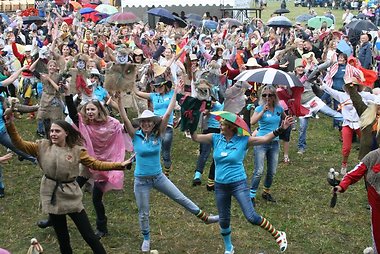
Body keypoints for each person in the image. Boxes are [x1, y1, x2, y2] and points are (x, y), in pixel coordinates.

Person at [4, 116, 132, 254]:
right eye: (52, 131)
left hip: (70, 195)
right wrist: (10, 125)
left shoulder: (77, 151)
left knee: (89, 235)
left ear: (66, 133)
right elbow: (19, 143)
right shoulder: (42, 146)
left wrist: (119, 165)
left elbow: (96, 164)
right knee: (63, 238)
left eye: (57, 131)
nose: (53, 133)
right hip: (51, 193)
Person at [117, 82, 219, 252]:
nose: (147, 124)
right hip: (141, 180)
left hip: (158, 177)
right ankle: (146, 238)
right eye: (144, 122)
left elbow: (168, 112)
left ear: (154, 123)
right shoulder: (136, 136)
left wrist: (176, 93)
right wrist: (120, 101)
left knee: (180, 198)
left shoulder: (159, 133)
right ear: (140, 123)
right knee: (143, 212)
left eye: (150, 121)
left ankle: (205, 218)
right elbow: (125, 118)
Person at [191, 112, 292, 253]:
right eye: (221, 123)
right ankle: (229, 248)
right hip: (220, 186)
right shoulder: (215, 138)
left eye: (223, 123)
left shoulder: (244, 140)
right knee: (224, 220)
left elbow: (264, 139)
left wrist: (281, 129)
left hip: (238, 184)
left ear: (232, 127)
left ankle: (278, 234)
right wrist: (190, 122)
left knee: (251, 217)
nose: (220, 125)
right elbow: (195, 137)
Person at [333, 147, 380, 253]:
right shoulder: (372, 156)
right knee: (377, 235)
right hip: (377, 206)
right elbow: (352, 174)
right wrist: (341, 186)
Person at [133, 76, 176, 177]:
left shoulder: (171, 94)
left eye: (160, 86)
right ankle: (136, 159)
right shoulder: (153, 96)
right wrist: (132, 83)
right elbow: (138, 93)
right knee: (143, 141)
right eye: (156, 86)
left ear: (165, 85)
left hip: (167, 125)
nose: (158, 88)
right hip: (154, 125)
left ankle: (167, 169)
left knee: (165, 150)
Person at [249, 85, 285, 203]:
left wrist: (288, 121)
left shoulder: (279, 109)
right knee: (259, 170)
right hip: (261, 142)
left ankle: (266, 191)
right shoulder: (259, 108)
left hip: (274, 142)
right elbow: (252, 122)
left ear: (275, 96)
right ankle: (251, 195)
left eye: (270, 95)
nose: (267, 97)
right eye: (264, 95)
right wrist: (262, 111)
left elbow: (285, 119)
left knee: (272, 171)